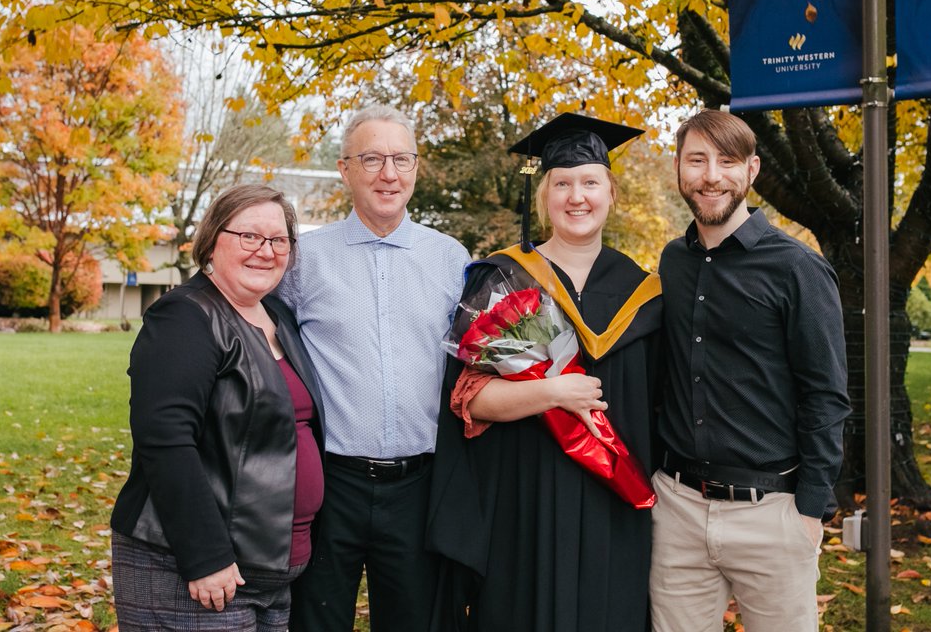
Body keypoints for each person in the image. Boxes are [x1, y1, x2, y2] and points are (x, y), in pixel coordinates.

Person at [427, 112, 663, 632]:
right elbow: (468, 401)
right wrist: (554, 393)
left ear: (611, 193)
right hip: (521, 503)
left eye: (589, 182)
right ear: (544, 196)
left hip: (615, 506)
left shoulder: (645, 293)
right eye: (562, 184)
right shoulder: (503, 280)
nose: (576, 197)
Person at [649, 109, 851, 632]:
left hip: (772, 513)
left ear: (752, 170)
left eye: (727, 161)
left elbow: (826, 395)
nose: (711, 175)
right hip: (677, 508)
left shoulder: (797, 268)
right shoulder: (672, 262)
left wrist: (810, 512)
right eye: (697, 160)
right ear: (679, 169)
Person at [277, 104, 470, 632]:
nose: (389, 173)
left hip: (418, 486)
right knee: (315, 622)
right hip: (328, 485)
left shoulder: (452, 260)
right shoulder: (302, 260)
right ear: (344, 169)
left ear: (415, 168)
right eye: (372, 159)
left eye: (401, 159)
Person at [111, 184, 325, 630]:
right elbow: (165, 440)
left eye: (279, 240)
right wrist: (205, 556)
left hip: (270, 572)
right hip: (195, 572)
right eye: (249, 236)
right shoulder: (185, 317)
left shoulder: (277, 316)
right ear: (211, 242)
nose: (265, 251)